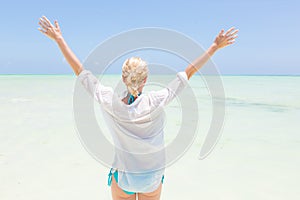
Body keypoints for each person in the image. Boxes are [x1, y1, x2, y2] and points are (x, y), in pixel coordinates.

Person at [38, 16, 238, 200]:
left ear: (123, 78)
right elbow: (189, 72)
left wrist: (59, 39)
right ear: (146, 79)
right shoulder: (157, 100)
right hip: (152, 179)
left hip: (124, 179)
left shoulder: (110, 102)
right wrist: (214, 46)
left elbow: (81, 72)